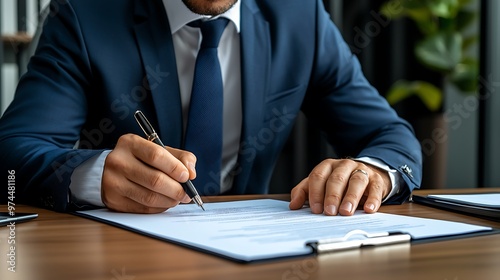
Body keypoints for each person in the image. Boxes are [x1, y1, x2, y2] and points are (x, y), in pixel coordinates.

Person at [0, 0, 422, 215]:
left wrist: (373, 171)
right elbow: (13, 152)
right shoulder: (85, 14)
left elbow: (391, 137)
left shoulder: (299, 15)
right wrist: (94, 175)